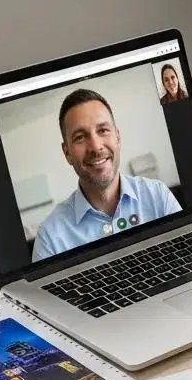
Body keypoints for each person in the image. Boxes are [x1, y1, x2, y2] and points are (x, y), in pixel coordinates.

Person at [32, 88, 181, 261]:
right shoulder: (50, 238)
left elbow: (188, 261)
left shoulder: (158, 196)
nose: (95, 147)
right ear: (67, 153)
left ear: (117, 137)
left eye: (102, 130)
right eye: (80, 137)